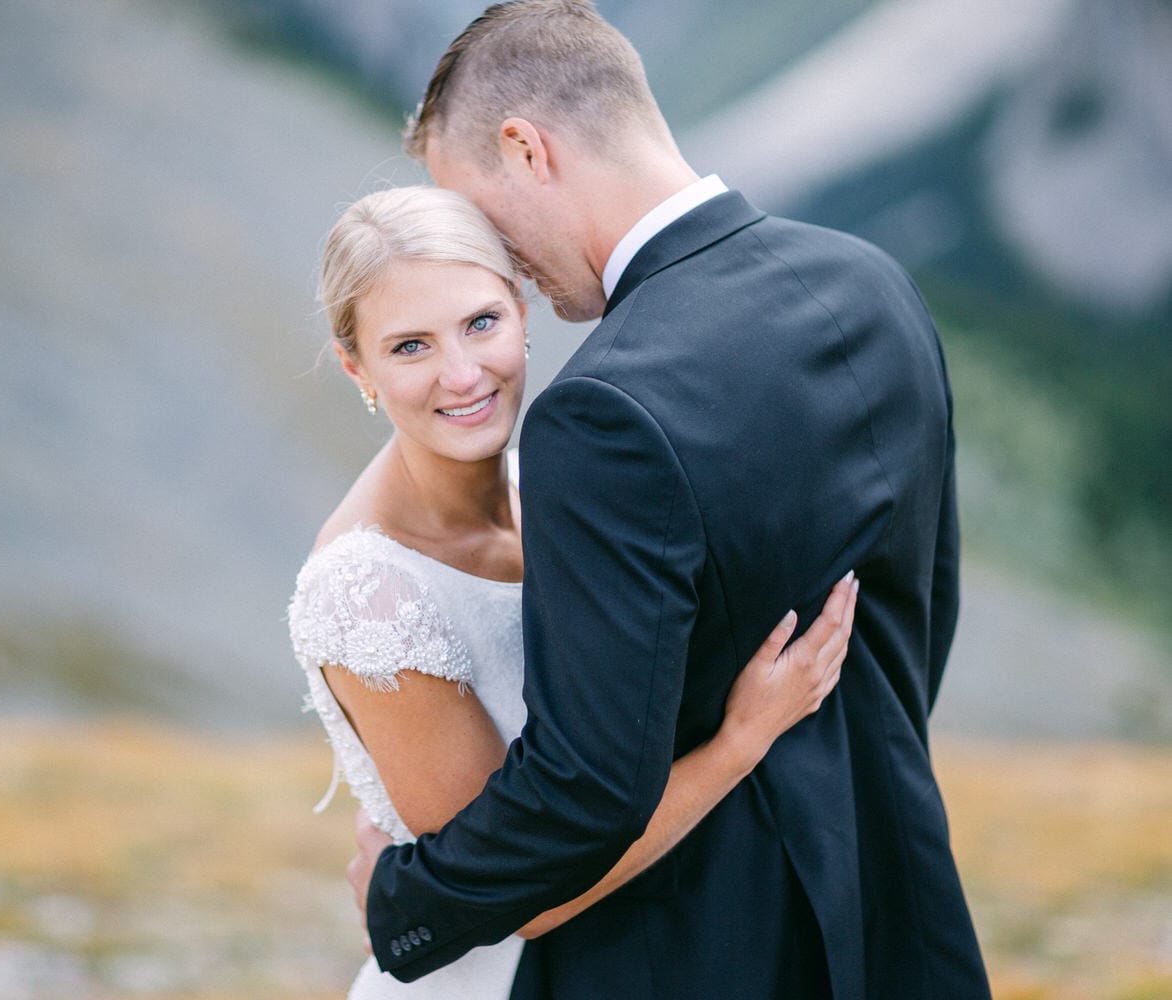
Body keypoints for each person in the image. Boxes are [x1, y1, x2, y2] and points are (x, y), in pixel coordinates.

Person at [344, 3, 992, 999]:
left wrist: (404, 898)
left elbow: (588, 788)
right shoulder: (873, 285)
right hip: (898, 905)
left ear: (527, 149)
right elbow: (922, 613)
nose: (498, 256)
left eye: (479, 208)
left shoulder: (602, 411)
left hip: (685, 956)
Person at [288, 184, 857, 999]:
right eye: (409, 346)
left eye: (481, 322)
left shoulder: (548, 489)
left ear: (522, 311)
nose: (460, 374)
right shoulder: (368, 593)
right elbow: (519, 890)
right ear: (358, 367)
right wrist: (742, 738)